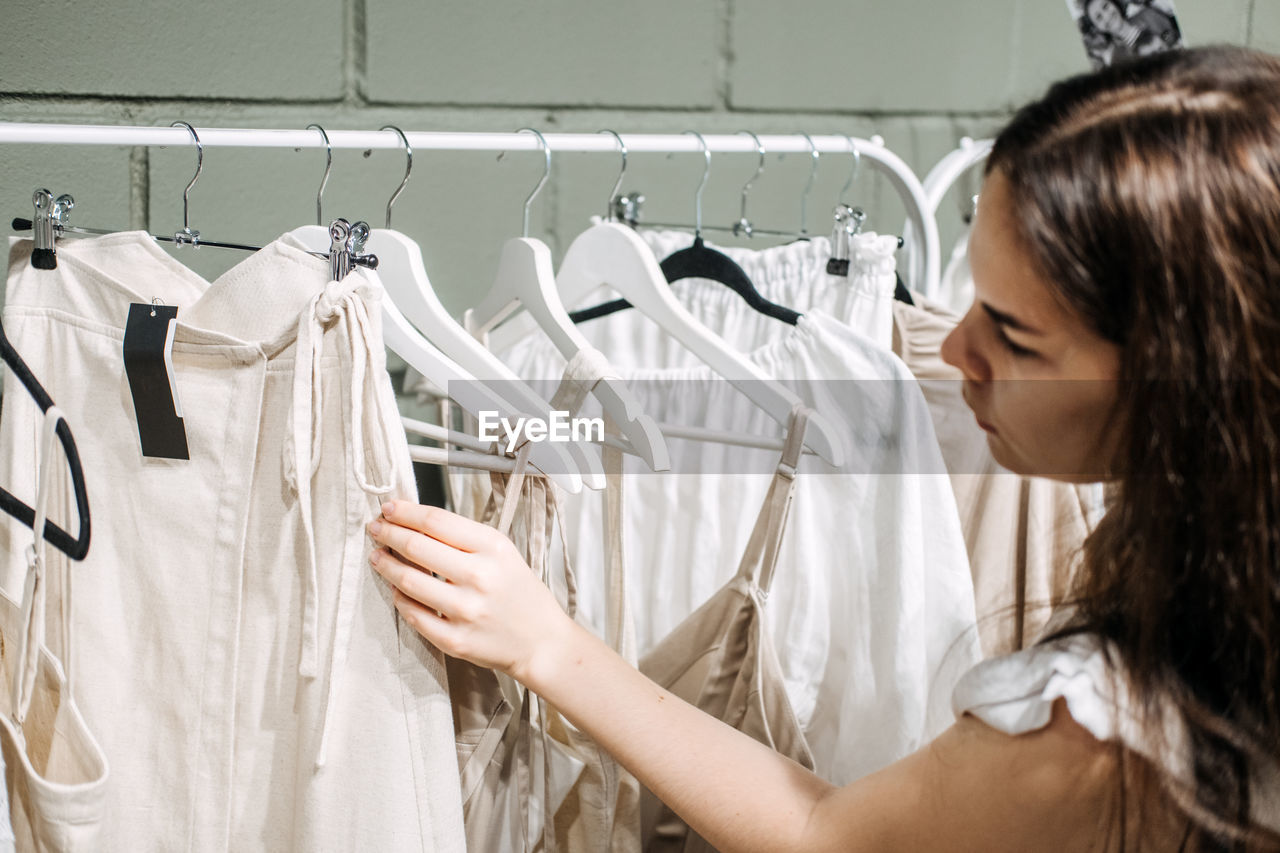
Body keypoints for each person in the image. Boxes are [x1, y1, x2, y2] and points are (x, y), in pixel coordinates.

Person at [367, 46, 1280, 851]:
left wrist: (552, 648)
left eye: (1013, 333)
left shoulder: (1107, 728)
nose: (951, 349)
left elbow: (826, 833)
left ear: (1183, 377)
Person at [1082, 0, 1182, 66]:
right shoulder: (1117, 59)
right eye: (1098, 17)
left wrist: (1164, 39)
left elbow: (1172, 33)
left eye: (1105, 6)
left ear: (1114, 4)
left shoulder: (1147, 15)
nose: (1106, 16)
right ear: (1097, 28)